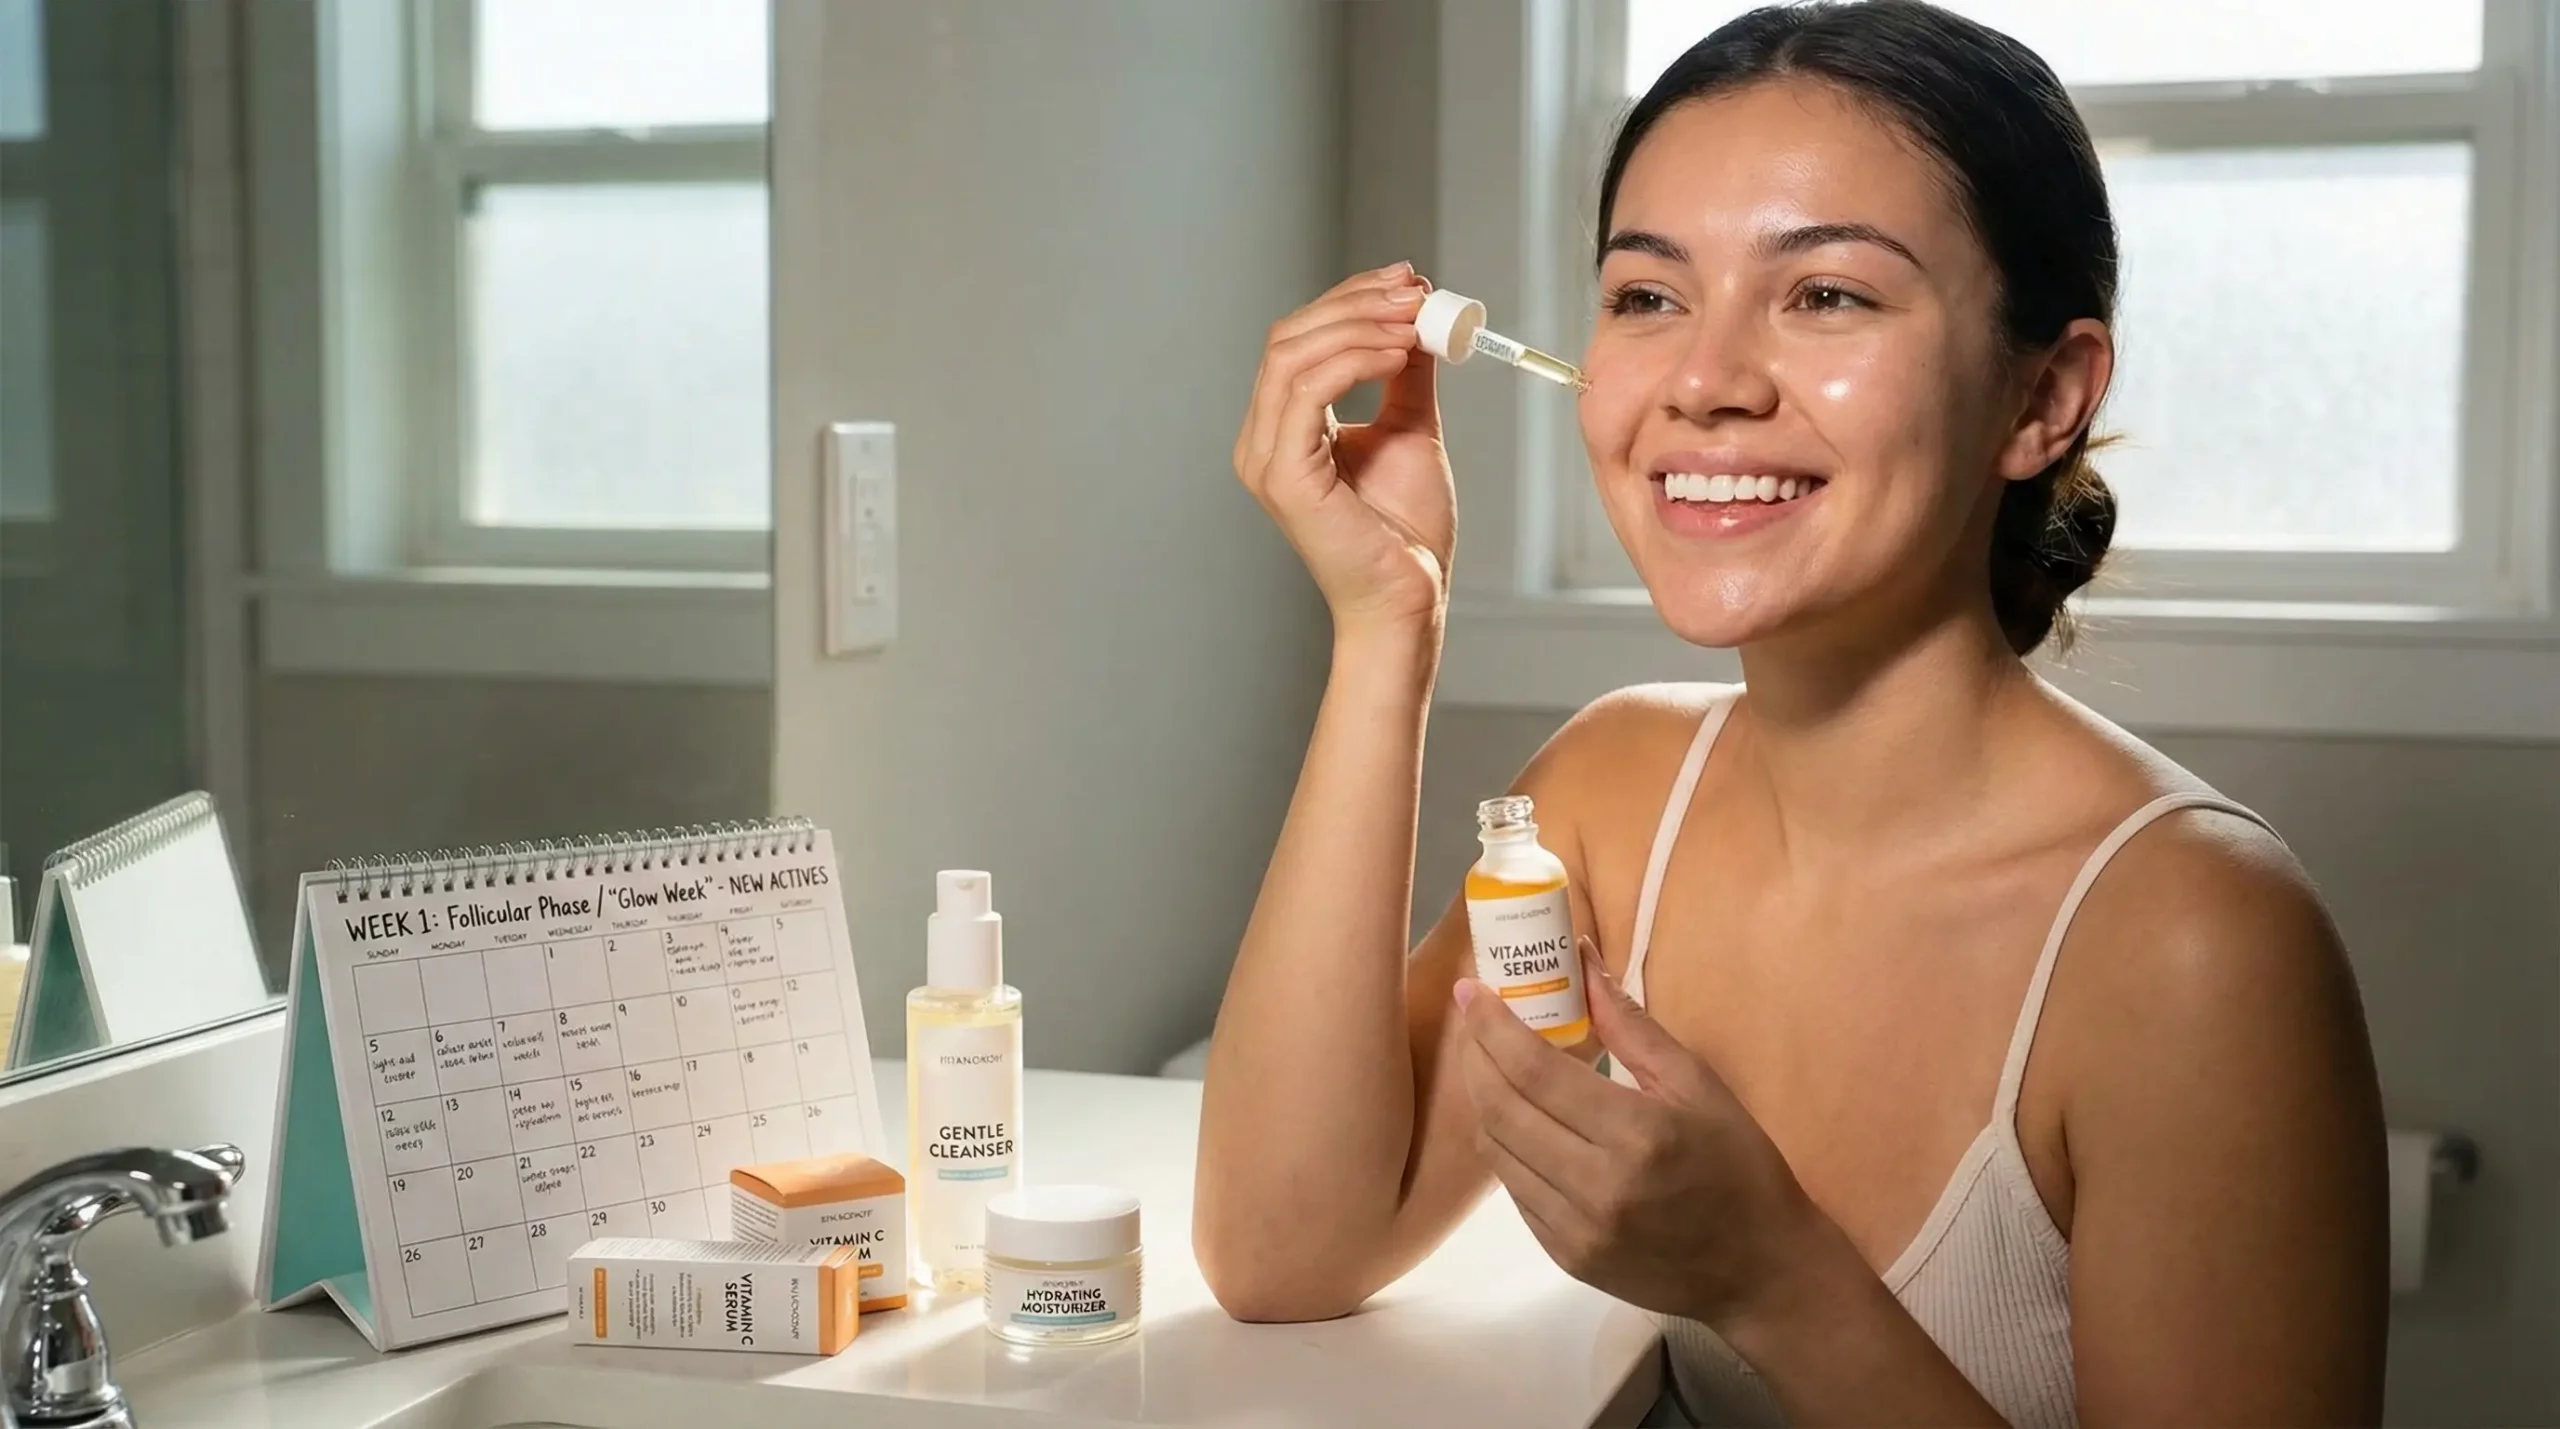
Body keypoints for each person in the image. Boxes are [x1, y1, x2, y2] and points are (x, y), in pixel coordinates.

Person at [1193, 2, 2390, 1424]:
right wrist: (1389, 625)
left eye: (1826, 295)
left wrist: (1771, 1279)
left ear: (2044, 395)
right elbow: (1284, 1252)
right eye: (1648, 297)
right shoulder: (1616, 798)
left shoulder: (2196, 945)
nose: (1704, 384)